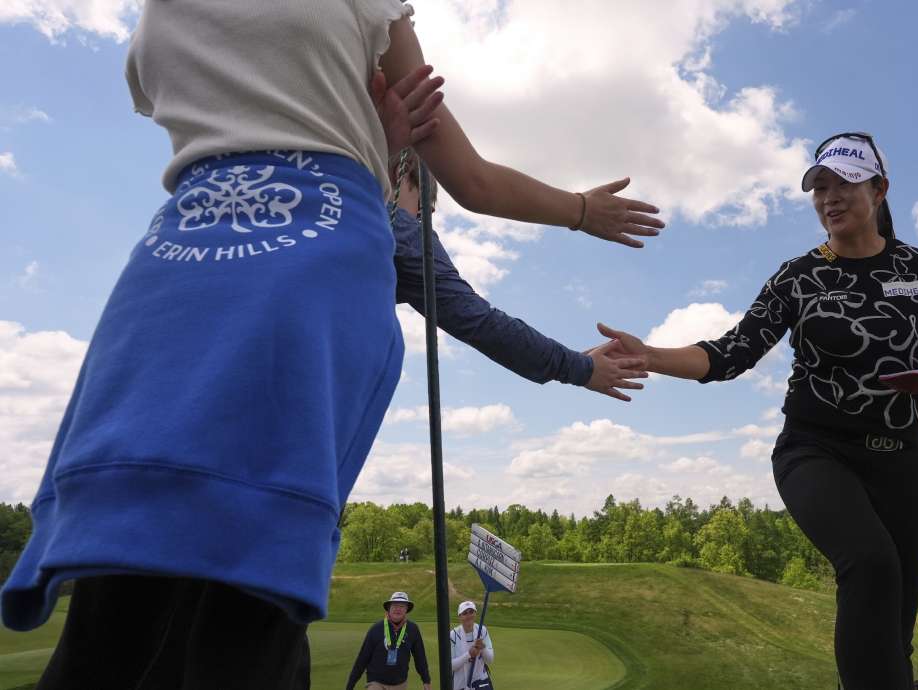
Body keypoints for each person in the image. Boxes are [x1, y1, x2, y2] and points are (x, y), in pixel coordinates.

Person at [0, 1, 662, 687]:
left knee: (112, 618)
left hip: (162, 284)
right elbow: (475, 195)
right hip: (303, 293)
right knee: (247, 615)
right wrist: (581, 246)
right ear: (407, 178)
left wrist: (366, 136)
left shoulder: (152, 28)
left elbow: (254, 100)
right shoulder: (392, 205)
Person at [595, 133, 918, 690]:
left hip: (902, 463)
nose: (830, 197)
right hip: (817, 451)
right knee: (870, 564)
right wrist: (650, 354)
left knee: (893, 631)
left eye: (845, 183)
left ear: (880, 190)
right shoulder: (799, 276)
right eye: (819, 187)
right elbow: (729, 354)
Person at [389, 151, 647, 400]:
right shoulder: (397, 228)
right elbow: (480, 322)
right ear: (398, 174)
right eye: (421, 208)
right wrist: (583, 369)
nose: (422, 221)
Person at [347, 592, 431, 690]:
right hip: (376, 682)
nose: (398, 609)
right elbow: (362, 659)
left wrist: (426, 681)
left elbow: (420, 657)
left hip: (400, 683)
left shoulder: (413, 629)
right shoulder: (376, 629)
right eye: (395, 605)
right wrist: (350, 685)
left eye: (402, 606)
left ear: (406, 609)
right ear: (389, 608)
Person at [449, 601, 494, 690]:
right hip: (460, 684)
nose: (469, 616)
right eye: (465, 613)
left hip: (481, 682)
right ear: (460, 616)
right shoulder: (453, 635)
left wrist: (483, 648)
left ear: (475, 614)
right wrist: (469, 654)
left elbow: (490, 659)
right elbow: (450, 666)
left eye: (471, 612)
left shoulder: (482, 630)